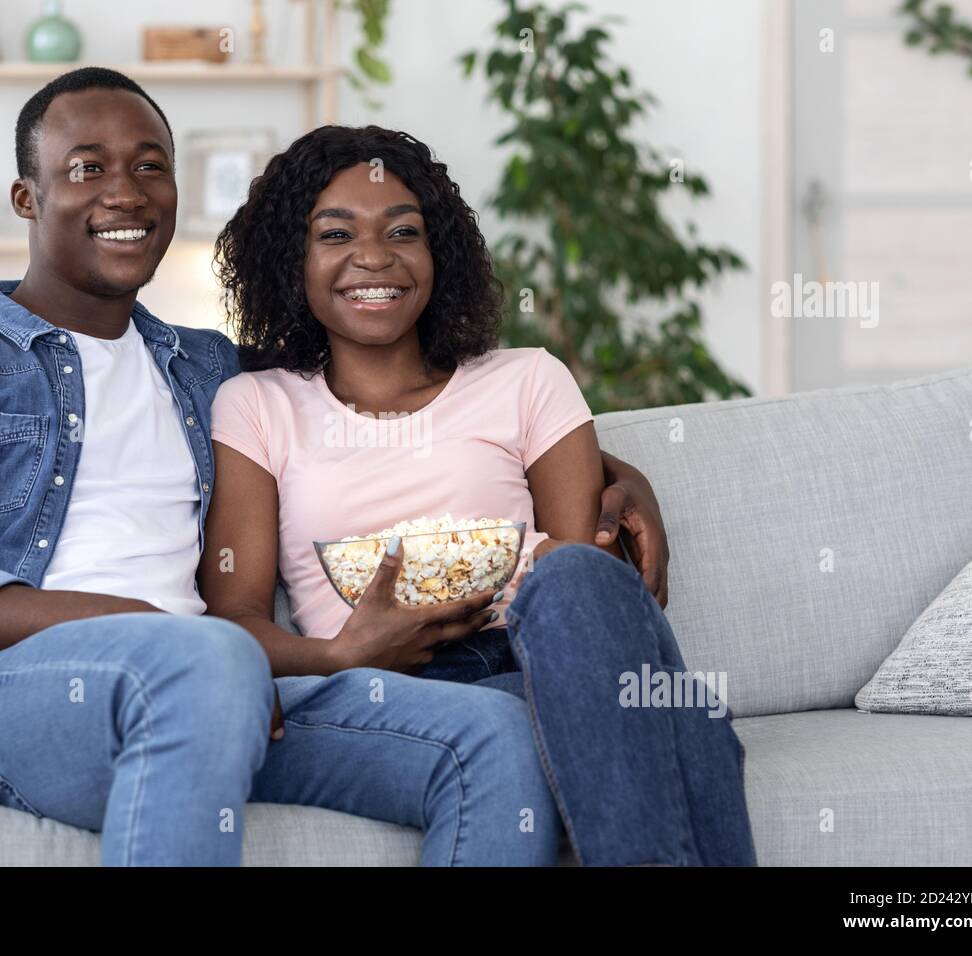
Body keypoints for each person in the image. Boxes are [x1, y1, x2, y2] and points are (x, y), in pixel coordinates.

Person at [0, 67, 672, 866]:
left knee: (489, 741)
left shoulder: (206, 369)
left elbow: (387, 394)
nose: (125, 191)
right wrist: (148, 626)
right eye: (87, 169)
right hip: (6, 701)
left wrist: (606, 469)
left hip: (228, 691)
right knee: (206, 658)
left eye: (150, 168)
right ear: (28, 197)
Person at [200, 125, 756, 865]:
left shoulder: (528, 379)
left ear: (440, 255)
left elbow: (584, 578)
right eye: (336, 234)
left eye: (404, 231)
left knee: (577, 585)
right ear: (291, 261)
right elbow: (233, 620)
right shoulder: (256, 405)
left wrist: (629, 486)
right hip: (381, 686)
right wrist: (339, 652)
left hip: (533, 666)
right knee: (684, 725)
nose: (375, 256)